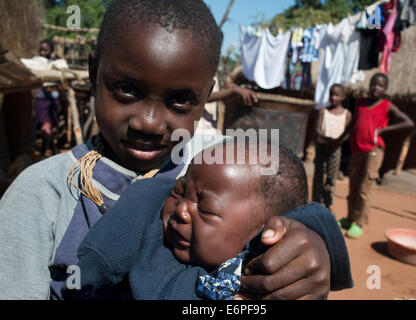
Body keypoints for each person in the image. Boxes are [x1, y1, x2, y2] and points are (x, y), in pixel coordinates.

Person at [0, 0, 346, 300]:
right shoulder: (43, 195)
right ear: (94, 73)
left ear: (206, 95)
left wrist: (312, 244)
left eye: (180, 100)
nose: (149, 122)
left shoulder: (215, 161)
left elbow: (286, 200)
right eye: (126, 89)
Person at [63, 140, 352, 300]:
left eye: (206, 209)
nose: (182, 211)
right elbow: (150, 194)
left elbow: (306, 220)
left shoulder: (267, 276)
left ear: (265, 231)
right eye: (181, 191)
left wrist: (319, 235)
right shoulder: (152, 235)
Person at [339, 73, 414, 238]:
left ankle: (359, 223)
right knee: (353, 186)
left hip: (373, 151)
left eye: (380, 85)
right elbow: (353, 124)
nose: (375, 88)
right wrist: (342, 137)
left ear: (385, 89)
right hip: (356, 150)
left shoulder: (387, 105)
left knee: (364, 189)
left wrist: (384, 129)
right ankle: (350, 218)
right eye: (373, 84)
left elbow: (408, 122)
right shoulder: (359, 103)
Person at [312, 84, 352, 209]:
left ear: (343, 97)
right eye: (331, 94)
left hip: (336, 148)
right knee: (318, 175)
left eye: (336, 95)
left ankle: (328, 204)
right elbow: (317, 129)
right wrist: (325, 139)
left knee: (331, 177)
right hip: (322, 146)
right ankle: (316, 202)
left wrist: (337, 141)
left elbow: (347, 133)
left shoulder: (346, 114)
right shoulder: (323, 112)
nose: (333, 98)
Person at [34, 39, 60, 157]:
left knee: (49, 125)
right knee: (45, 126)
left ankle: (46, 149)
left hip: (52, 99)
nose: (43, 53)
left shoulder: (56, 64)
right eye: (41, 50)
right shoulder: (36, 62)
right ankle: (46, 150)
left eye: (46, 50)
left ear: (51, 51)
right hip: (41, 99)